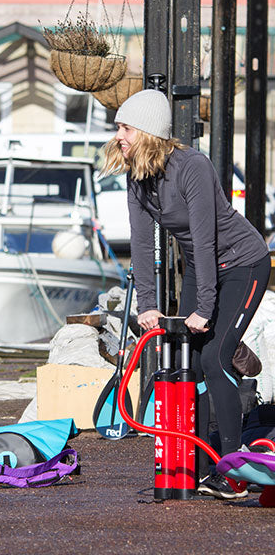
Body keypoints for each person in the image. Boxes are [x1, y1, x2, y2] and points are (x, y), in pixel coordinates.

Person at [103, 88, 270, 500]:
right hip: (201, 267)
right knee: (189, 363)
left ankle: (234, 470)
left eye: (124, 127)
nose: (118, 134)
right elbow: (142, 244)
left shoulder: (192, 166)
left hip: (243, 264)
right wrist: (147, 306)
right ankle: (197, 464)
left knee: (213, 357)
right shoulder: (138, 178)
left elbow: (204, 235)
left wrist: (206, 310)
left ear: (146, 131)